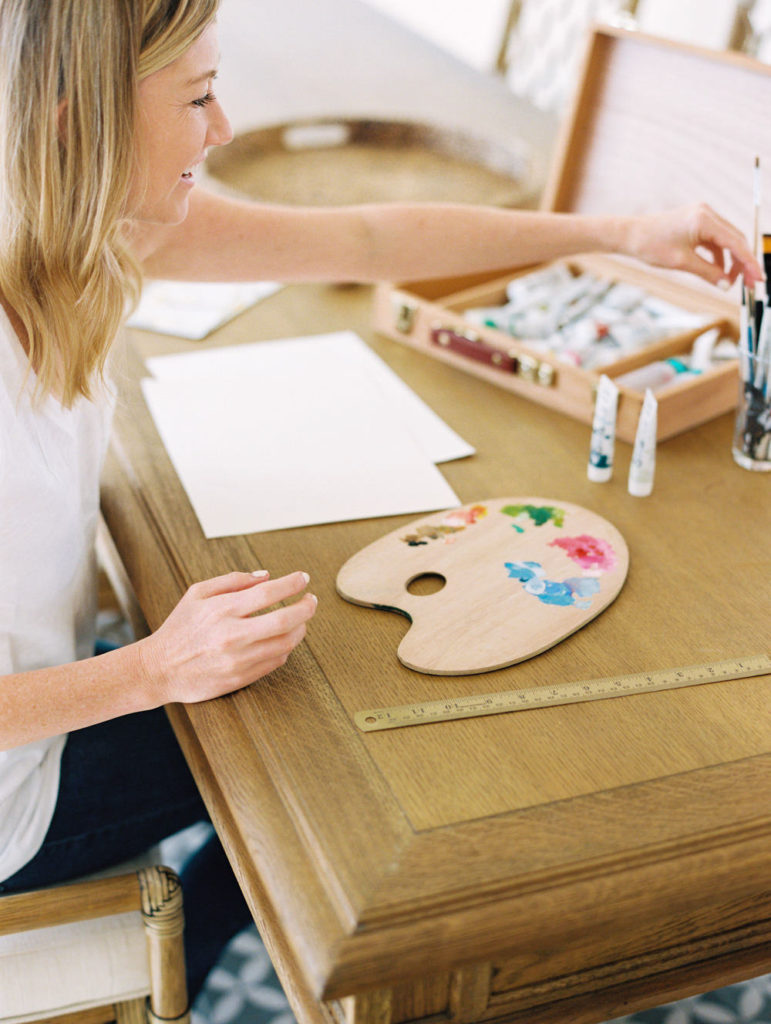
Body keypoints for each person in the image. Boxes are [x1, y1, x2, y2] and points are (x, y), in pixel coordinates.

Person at [0, 0, 763, 1005]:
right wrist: (152, 669)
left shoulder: (80, 217)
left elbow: (363, 236)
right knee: (317, 766)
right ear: (73, 120)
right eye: (197, 97)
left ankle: (251, 939)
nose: (222, 128)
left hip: (44, 688)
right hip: (19, 805)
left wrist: (624, 232)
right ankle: (221, 957)